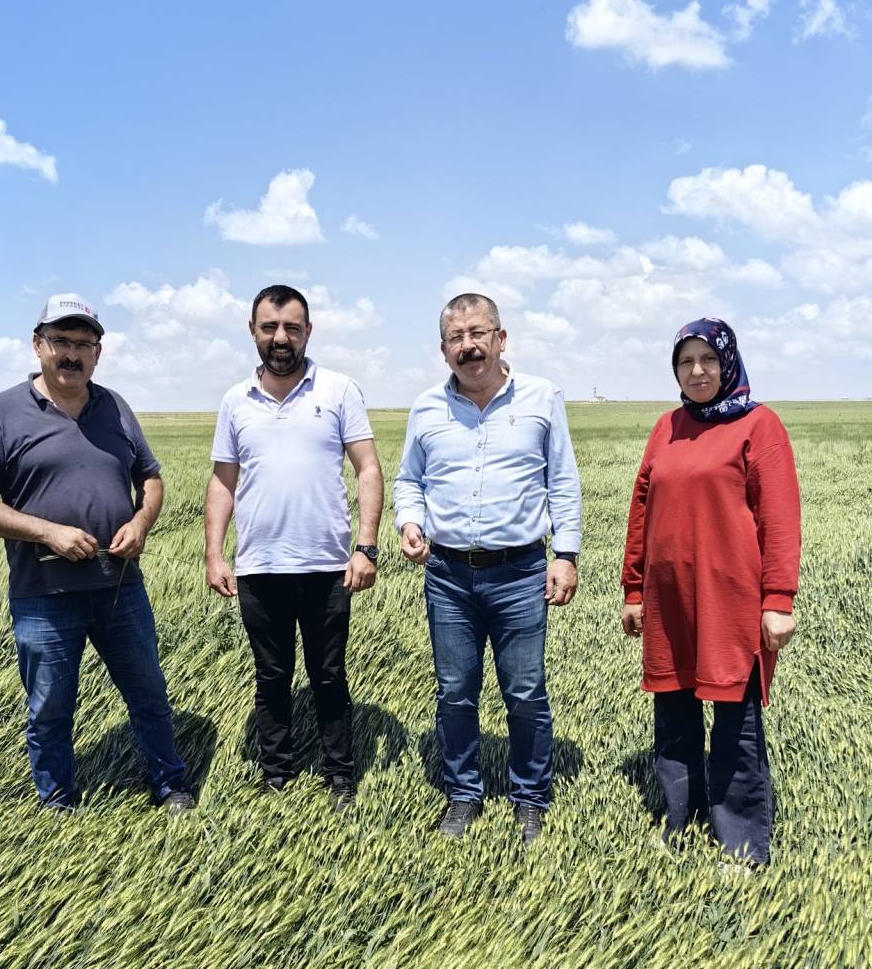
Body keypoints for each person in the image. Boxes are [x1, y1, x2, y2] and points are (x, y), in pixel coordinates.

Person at [0, 293, 193, 813]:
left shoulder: (115, 406)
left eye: (84, 343)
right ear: (38, 345)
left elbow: (149, 478)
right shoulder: (1, 413)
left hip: (120, 586)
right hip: (44, 594)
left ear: (98, 353)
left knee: (149, 696)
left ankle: (169, 785)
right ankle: (57, 801)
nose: (72, 354)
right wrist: (48, 533)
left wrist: (140, 521)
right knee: (50, 708)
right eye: (61, 341)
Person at [393, 293, 582, 841]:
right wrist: (410, 522)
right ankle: (463, 794)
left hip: (520, 572)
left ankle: (530, 796)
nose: (469, 346)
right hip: (448, 576)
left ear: (501, 337)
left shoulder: (542, 398)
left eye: (479, 333)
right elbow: (409, 480)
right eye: (457, 338)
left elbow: (561, 480)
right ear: (443, 348)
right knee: (455, 690)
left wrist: (565, 554)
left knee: (524, 690)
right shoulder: (427, 407)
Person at [621, 317, 801, 867]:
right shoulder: (667, 426)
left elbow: (779, 516)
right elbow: (641, 508)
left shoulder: (759, 425)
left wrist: (778, 600)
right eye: (685, 362)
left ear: (728, 362)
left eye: (707, 359)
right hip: (670, 600)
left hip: (729, 601)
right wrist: (633, 588)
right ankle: (680, 821)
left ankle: (743, 844)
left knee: (734, 721)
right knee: (673, 715)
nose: (697, 371)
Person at [204, 284, 383, 809]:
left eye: (292, 328)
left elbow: (368, 468)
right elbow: (222, 482)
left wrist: (366, 547)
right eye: (270, 328)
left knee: (329, 676)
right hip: (259, 567)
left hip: (328, 567)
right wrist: (215, 554)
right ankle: (276, 773)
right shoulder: (236, 401)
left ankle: (340, 777)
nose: (281, 338)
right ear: (253, 331)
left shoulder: (339, 390)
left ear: (308, 331)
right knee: (272, 677)